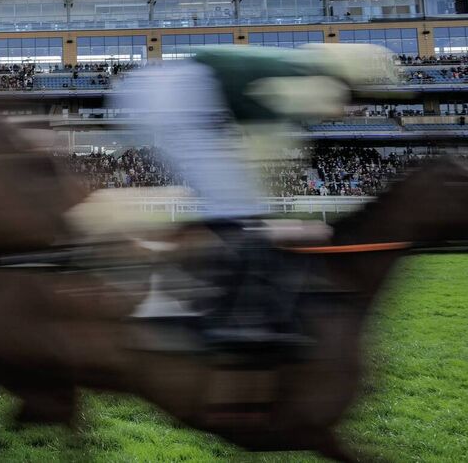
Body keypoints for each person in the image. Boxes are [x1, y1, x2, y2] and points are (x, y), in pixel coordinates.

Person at [114, 43, 396, 350]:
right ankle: (233, 320)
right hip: (175, 98)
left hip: (175, 93)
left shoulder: (298, 70)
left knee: (240, 207)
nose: (352, 110)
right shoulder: (309, 81)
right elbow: (266, 151)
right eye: (356, 99)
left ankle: (219, 297)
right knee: (236, 205)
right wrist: (276, 220)